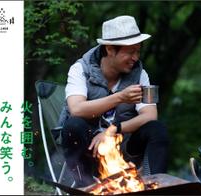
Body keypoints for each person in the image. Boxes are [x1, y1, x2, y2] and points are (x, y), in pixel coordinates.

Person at [58, 15, 169, 187]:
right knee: (73, 126)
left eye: (138, 51)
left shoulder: (140, 74)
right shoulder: (81, 69)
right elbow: (76, 109)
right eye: (130, 51)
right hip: (88, 149)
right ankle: (85, 188)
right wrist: (120, 97)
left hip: (124, 147)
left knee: (157, 129)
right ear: (110, 49)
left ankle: (156, 187)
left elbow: (150, 115)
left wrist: (113, 130)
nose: (135, 57)